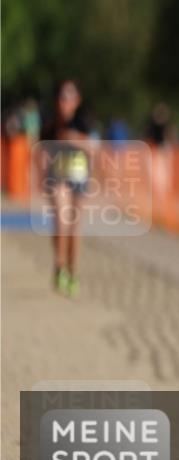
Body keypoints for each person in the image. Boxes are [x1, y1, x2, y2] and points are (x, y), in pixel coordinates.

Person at [38, 79, 94, 297]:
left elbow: (94, 149)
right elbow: (40, 153)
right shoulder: (50, 124)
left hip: (79, 176)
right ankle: (59, 266)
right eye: (62, 97)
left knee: (74, 228)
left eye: (69, 97)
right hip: (57, 177)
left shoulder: (83, 122)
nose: (65, 102)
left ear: (77, 100)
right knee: (61, 222)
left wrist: (74, 139)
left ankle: (73, 272)